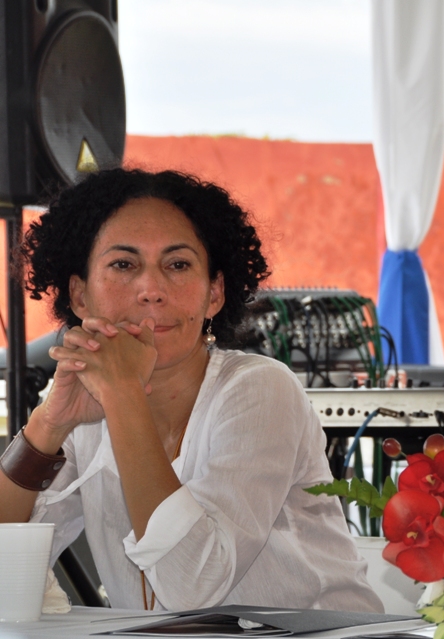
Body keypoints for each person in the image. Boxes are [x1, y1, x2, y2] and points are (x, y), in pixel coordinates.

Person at [0, 168, 383, 613]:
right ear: (80, 296)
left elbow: (194, 587)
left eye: (177, 265)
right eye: (124, 265)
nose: (151, 290)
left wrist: (124, 397)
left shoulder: (258, 389)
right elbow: (8, 566)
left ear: (214, 293)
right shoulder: (90, 406)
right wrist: (48, 425)